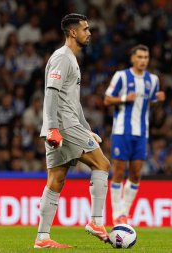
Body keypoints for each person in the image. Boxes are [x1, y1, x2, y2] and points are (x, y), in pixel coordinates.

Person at [34, 13, 110, 249]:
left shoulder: (70, 59)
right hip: (63, 126)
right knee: (102, 164)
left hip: (66, 125)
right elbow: (51, 94)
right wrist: (54, 128)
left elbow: (72, 101)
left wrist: (87, 129)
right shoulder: (63, 58)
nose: (89, 33)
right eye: (85, 29)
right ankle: (96, 221)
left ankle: (42, 238)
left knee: (56, 179)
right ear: (72, 32)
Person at [104, 44, 165, 225]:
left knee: (136, 173)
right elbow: (107, 99)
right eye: (139, 57)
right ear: (132, 58)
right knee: (119, 171)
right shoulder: (121, 76)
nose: (143, 61)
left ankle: (124, 213)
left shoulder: (153, 80)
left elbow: (149, 103)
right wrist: (124, 98)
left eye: (146, 58)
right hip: (122, 131)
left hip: (141, 133)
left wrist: (157, 100)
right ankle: (117, 214)